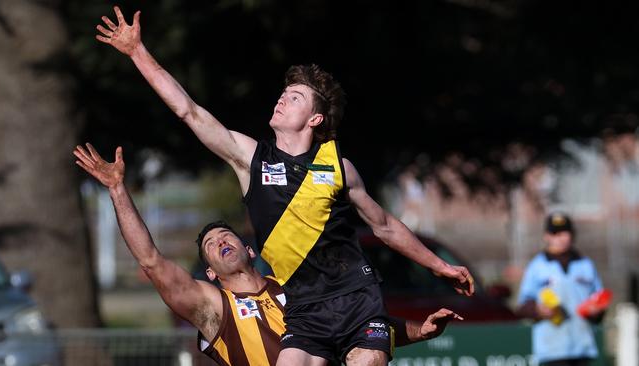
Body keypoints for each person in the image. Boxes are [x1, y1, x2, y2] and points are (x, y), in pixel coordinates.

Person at [95, 7, 475, 365]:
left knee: (366, 360)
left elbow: (385, 226)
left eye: (294, 97)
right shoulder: (250, 160)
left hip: (355, 298)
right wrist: (137, 52)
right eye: (284, 93)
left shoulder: (339, 166)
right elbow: (188, 110)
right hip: (304, 309)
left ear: (315, 118)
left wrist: (439, 265)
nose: (282, 98)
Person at [73, 143, 463, 366]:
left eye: (225, 236)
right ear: (209, 272)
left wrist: (420, 331)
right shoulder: (214, 306)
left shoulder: (295, 290)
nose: (219, 242)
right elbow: (151, 261)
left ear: (249, 249)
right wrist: (117, 190)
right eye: (210, 247)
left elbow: (361, 326)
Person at [516, 212, 606, 366]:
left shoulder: (585, 265)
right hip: (552, 347)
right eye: (555, 233)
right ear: (547, 236)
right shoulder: (537, 266)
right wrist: (539, 310)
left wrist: (596, 310)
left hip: (582, 345)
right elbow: (523, 305)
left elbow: (598, 299)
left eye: (565, 233)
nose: (561, 238)